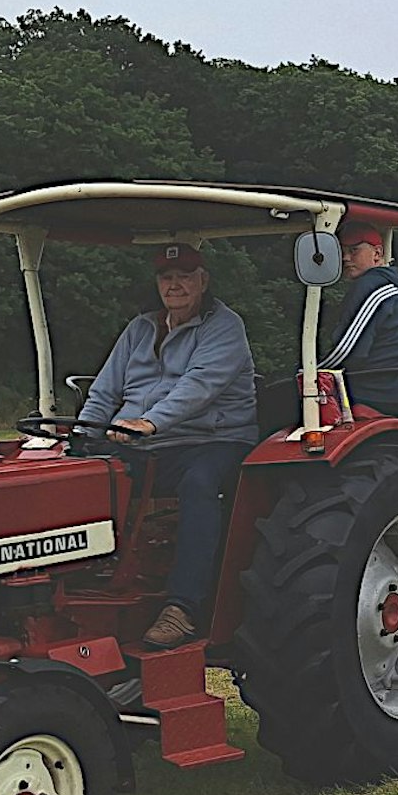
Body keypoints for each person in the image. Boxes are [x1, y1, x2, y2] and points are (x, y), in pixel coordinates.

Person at [80, 243, 259, 649]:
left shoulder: (224, 327)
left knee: (200, 483)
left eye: (184, 276)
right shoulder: (140, 329)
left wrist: (149, 423)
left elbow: (199, 387)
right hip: (145, 441)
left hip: (212, 438)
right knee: (87, 474)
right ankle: (91, 583)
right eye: (166, 277)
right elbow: (104, 390)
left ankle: (183, 607)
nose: (174, 284)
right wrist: (83, 437)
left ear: (203, 281)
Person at [322, 224, 398, 416]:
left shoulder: (371, 286)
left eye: (354, 250)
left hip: (370, 391)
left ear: (377, 253)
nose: (346, 258)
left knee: (283, 393)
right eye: (343, 252)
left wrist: (315, 370)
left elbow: (346, 348)